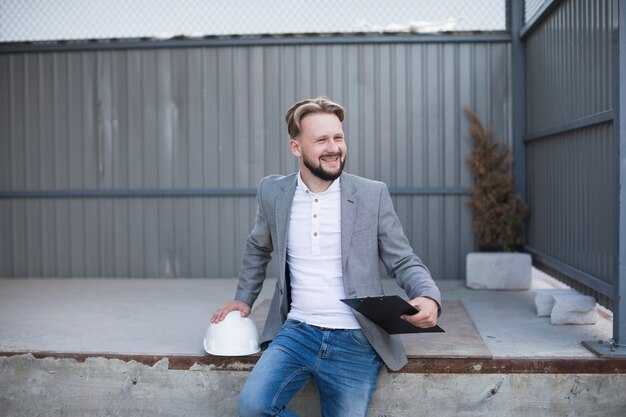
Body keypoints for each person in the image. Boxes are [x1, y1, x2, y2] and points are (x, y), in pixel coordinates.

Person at [211, 96, 441, 417]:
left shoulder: (371, 194)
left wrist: (427, 296)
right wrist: (243, 299)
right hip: (297, 332)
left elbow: (402, 259)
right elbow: (258, 247)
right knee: (252, 407)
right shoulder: (273, 193)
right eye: (321, 140)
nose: (333, 147)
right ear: (296, 147)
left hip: (357, 341)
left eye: (338, 137)